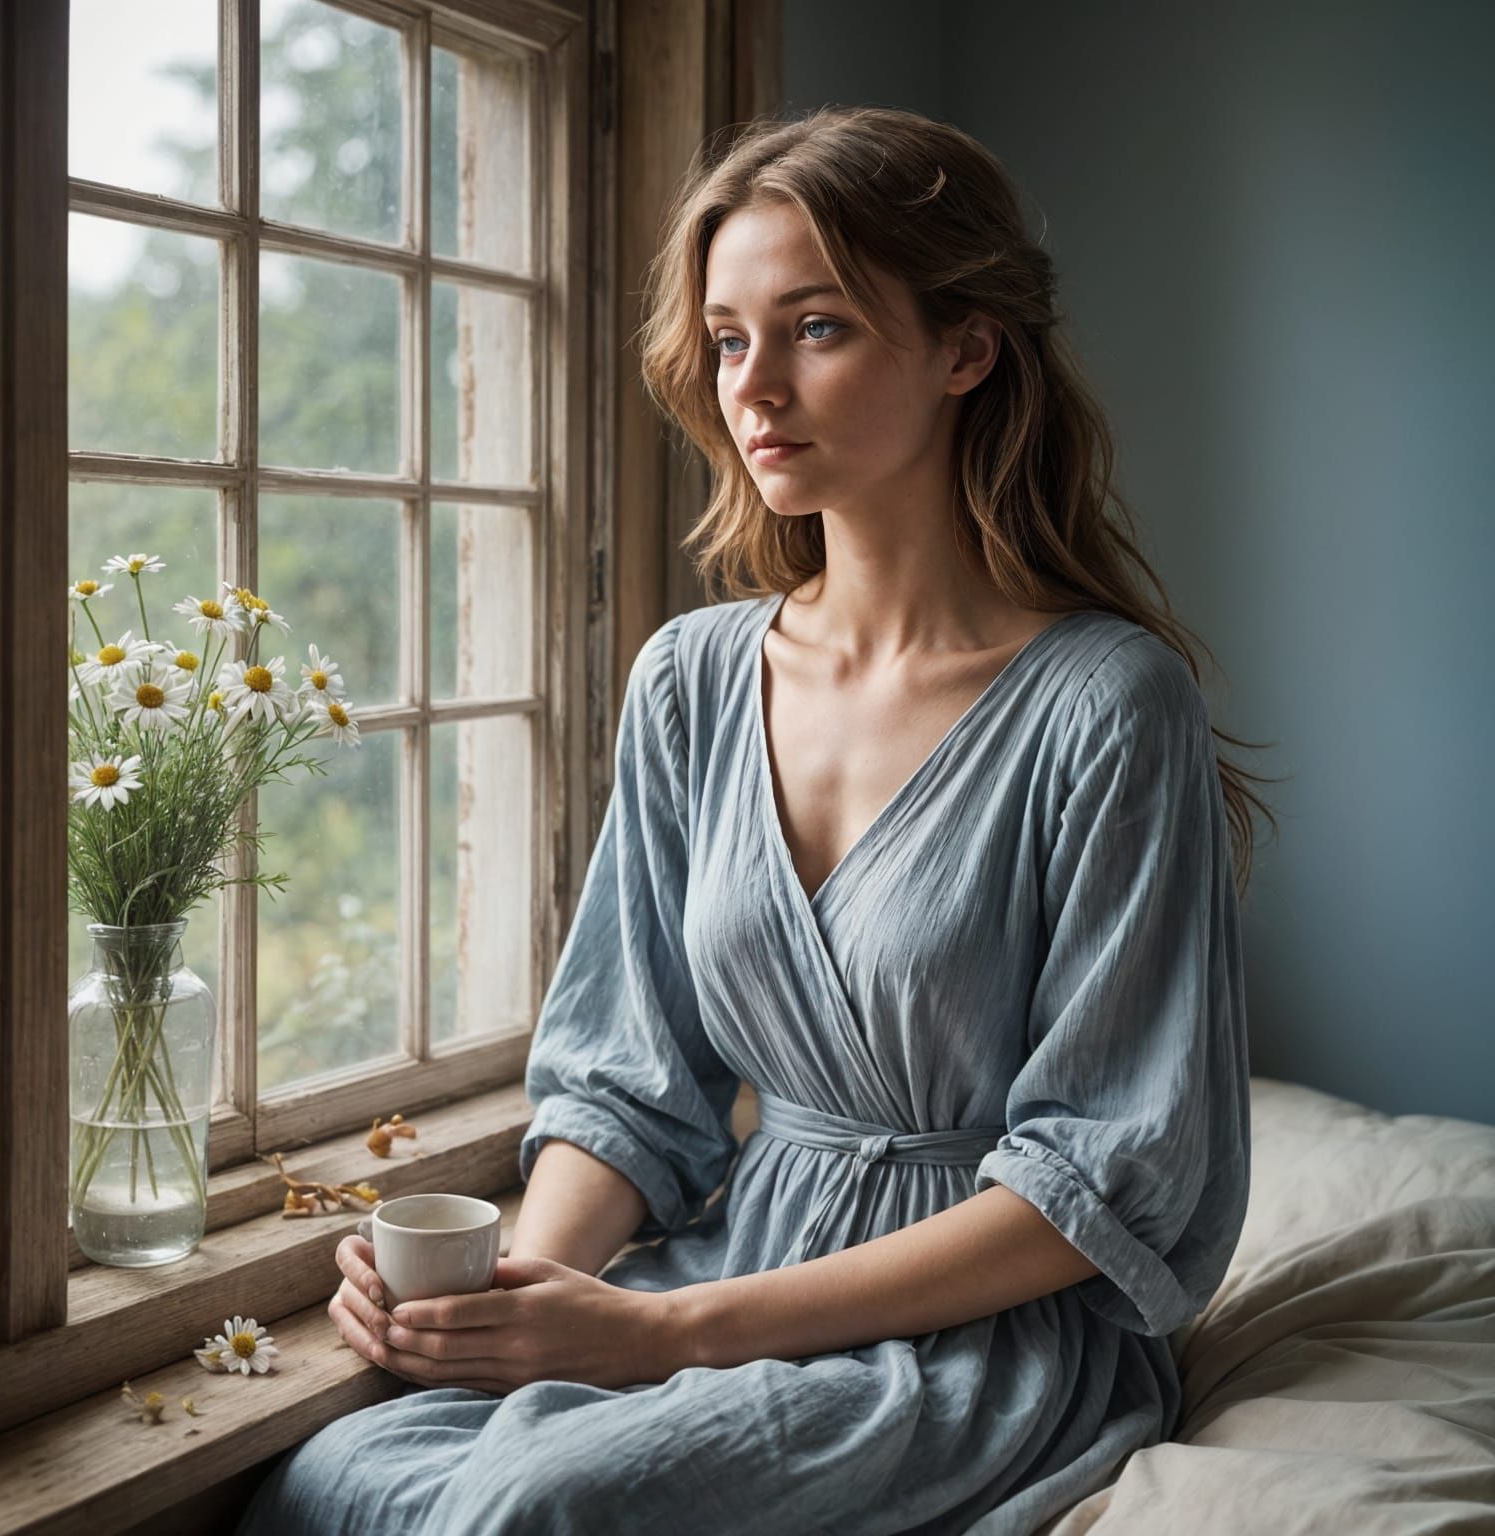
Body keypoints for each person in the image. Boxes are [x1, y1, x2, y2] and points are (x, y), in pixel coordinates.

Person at [236, 103, 1274, 1535]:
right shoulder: (692, 680)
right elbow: (626, 1081)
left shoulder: (1107, 706)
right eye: (728, 340)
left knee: (540, 1506)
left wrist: (663, 1336)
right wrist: (518, 1299)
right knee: (338, 1478)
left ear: (967, 349)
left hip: (973, 1328)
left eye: (816, 329)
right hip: (727, 1266)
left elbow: (1102, 1179)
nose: (755, 388)